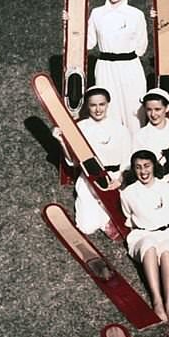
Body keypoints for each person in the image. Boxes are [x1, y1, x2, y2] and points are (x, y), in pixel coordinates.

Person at [120, 150, 169, 323]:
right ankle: (157, 300)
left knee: (167, 251)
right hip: (144, 233)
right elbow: (130, 218)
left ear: (154, 166)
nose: (143, 171)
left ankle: (168, 302)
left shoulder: (167, 188)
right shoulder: (128, 193)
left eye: (147, 166)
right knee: (148, 246)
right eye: (138, 167)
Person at [53, 86, 131, 239]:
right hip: (90, 178)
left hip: (115, 178)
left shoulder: (120, 129)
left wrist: (120, 180)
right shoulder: (80, 128)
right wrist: (62, 141)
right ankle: (104, 217)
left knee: (124, 218)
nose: (97, 109)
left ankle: (109, 215)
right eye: (93, 105)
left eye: (101, 104)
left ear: (108, 104)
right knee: (87, 227)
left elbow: (127, 160)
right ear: (87, 106)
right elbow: (73, 162)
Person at [86, 0, 148, 132]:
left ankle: (137, 154)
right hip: (105, 67)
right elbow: (88, 42)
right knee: (109, 111)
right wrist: (70, 25)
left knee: (134, 111)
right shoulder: (97, 13)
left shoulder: (136, 14)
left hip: (130, 67)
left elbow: (141, 47)